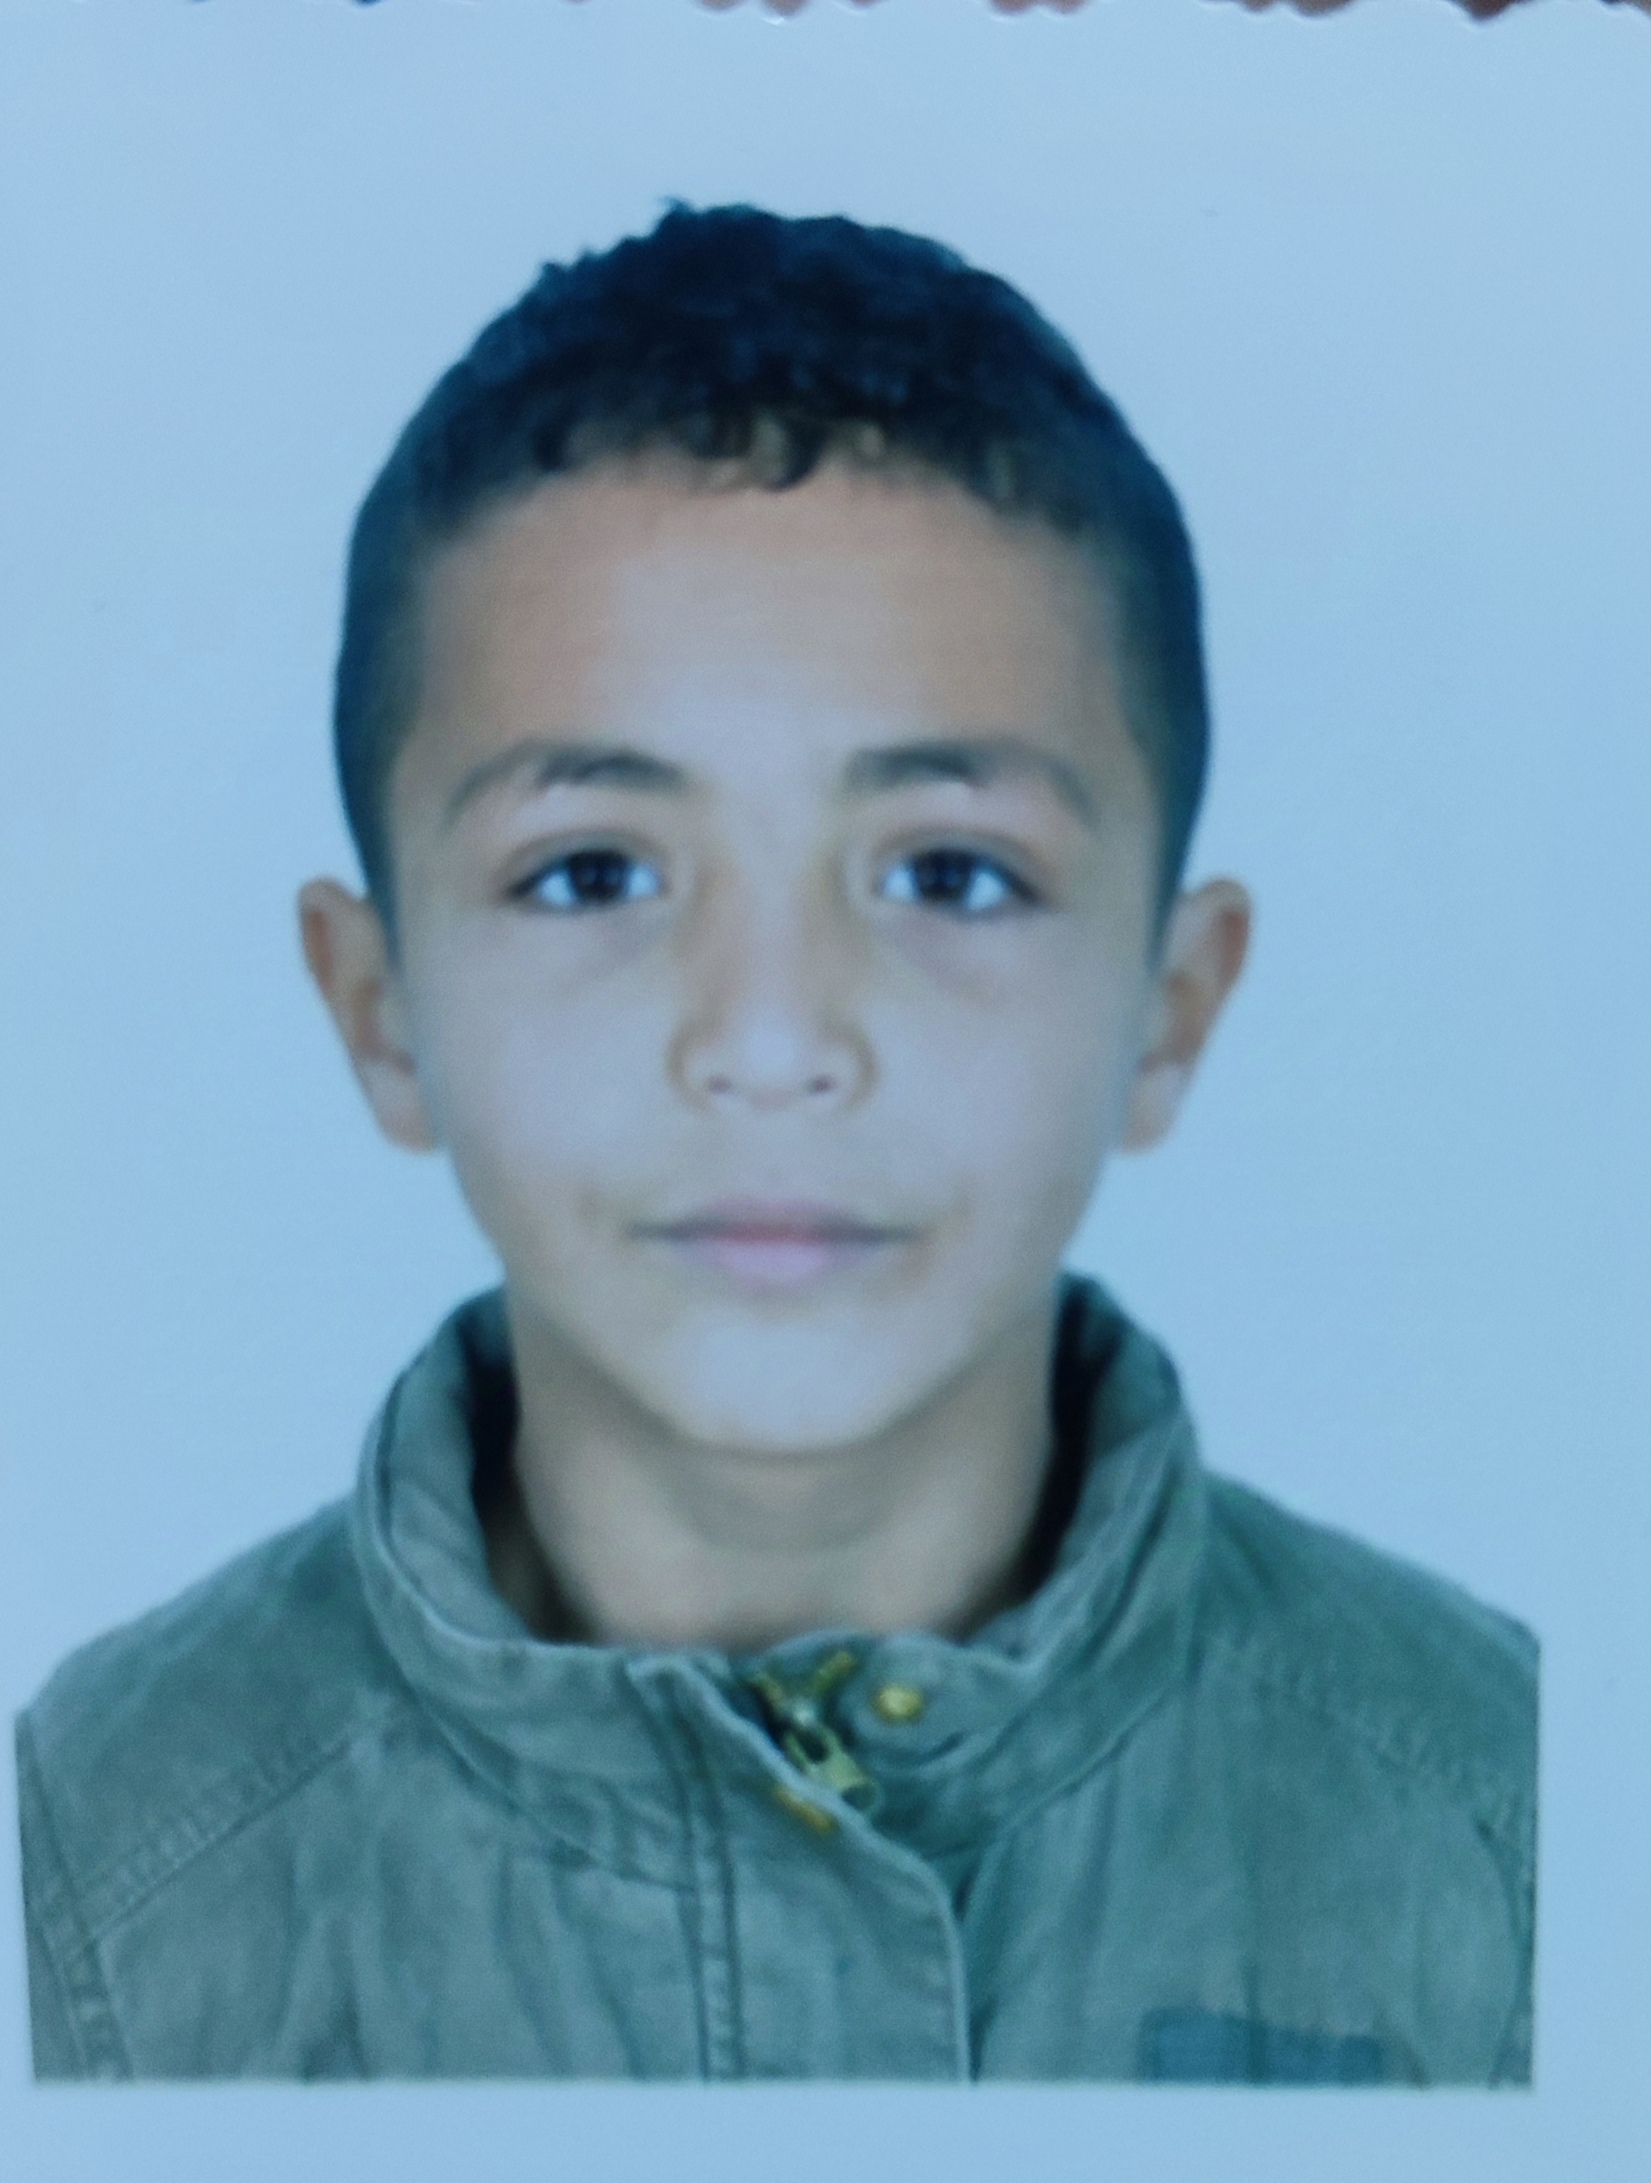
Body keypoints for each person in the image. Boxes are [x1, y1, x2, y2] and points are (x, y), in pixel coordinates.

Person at [16, 205, 1535, 2084]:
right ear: (379, 1008)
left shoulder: (1522, 1830)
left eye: (949, 875)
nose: (770, 1041)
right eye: (593, 874)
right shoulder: (83, 1874)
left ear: (1172, 1006)